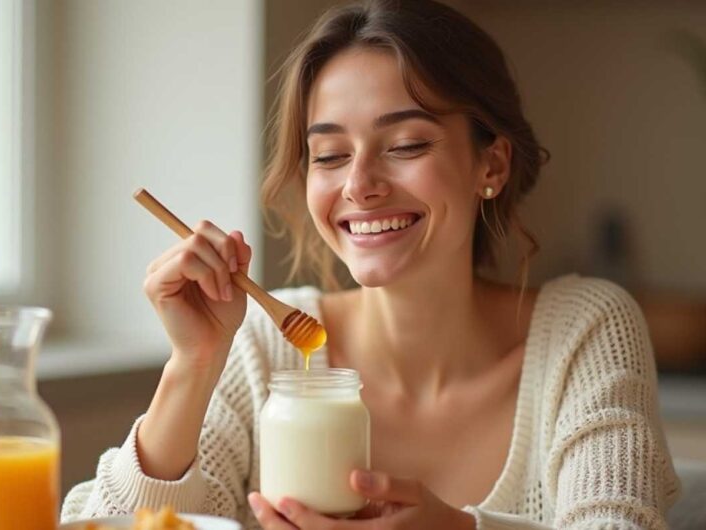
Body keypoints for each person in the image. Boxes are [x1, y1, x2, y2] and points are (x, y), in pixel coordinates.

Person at [61, 0, 680, 528]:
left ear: (491, 165)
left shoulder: (584, 333)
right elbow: (97, 522)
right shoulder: (263, 347)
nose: (359, 185)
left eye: (407, 145)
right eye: (329, 156)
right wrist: (192, 365)